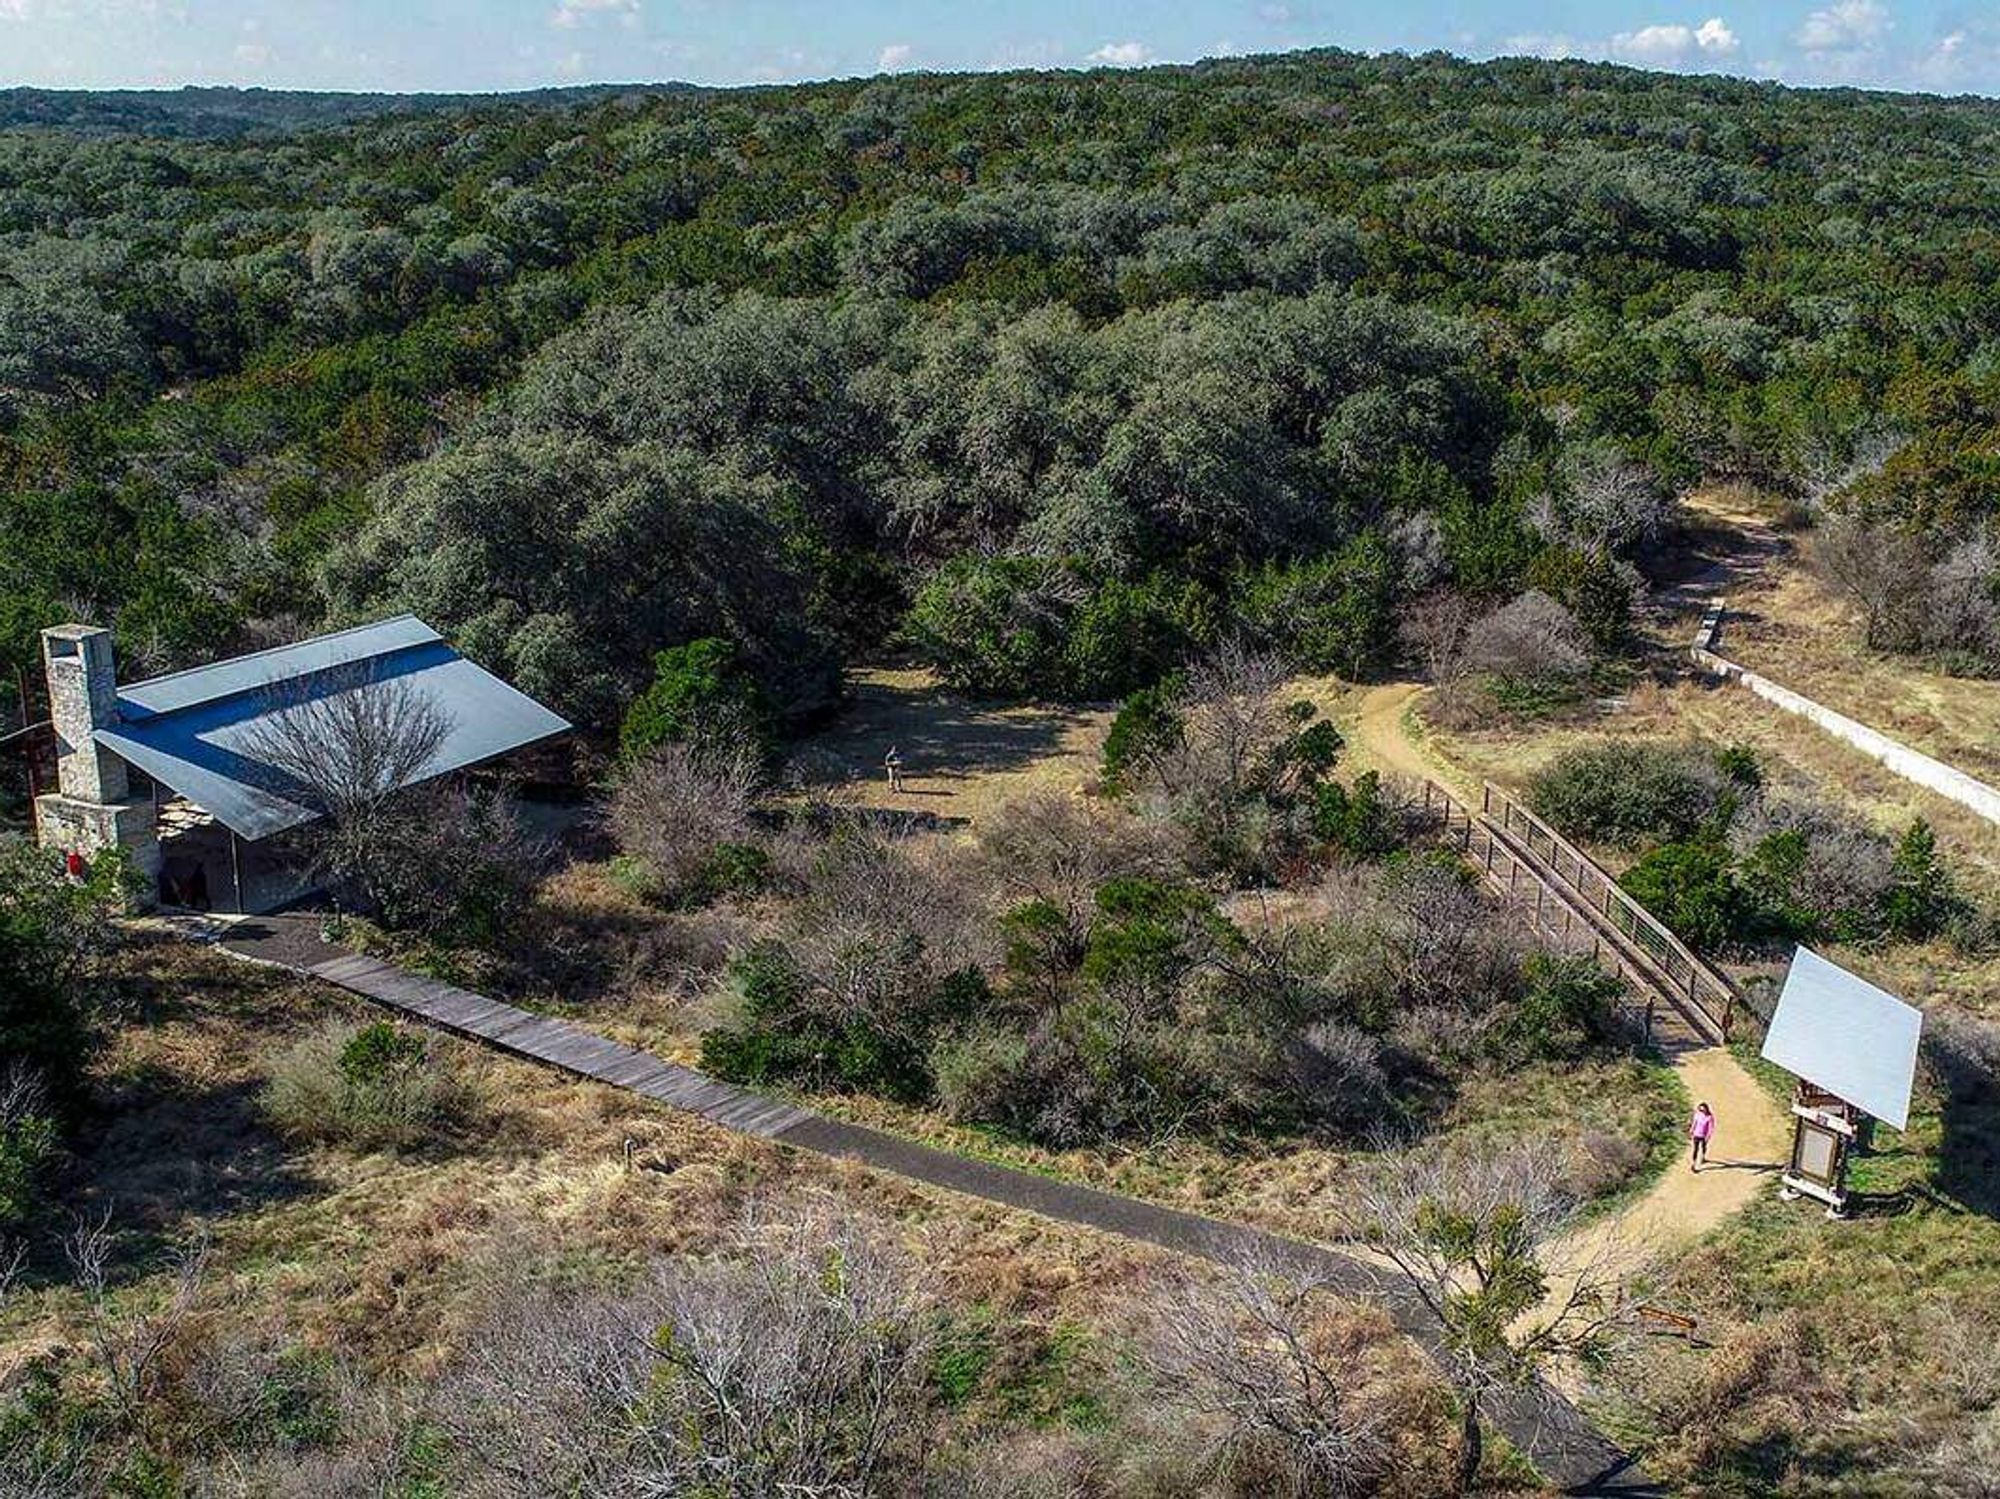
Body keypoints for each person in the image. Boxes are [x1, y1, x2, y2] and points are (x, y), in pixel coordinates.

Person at [1689, 1101, 1715, 1171]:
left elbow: (1710, 1128)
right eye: (1700, 1110)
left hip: (1704, 1136)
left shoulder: (1709, 1117)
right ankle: (1694, 1163)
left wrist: (1708, 1136)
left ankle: (1703, 1157)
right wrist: (1691, 1131)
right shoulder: (1697, 1115)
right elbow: (1694, 1123)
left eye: (1703, 1110)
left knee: (1703, 1147)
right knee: (1695, 1149)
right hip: (1696, 1134)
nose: (1702, 1111)